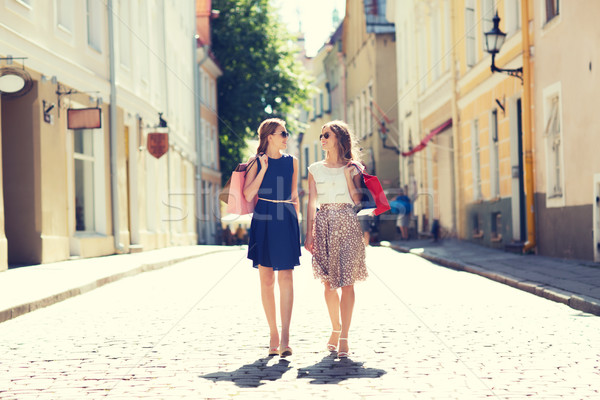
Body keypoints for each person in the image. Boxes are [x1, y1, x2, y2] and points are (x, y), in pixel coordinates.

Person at [304, 120, 368, 359]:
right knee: (329, 285)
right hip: (324, 224)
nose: (322, 139)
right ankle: (335, 327)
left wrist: (350, 176)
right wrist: (309, 233)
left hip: (347, 222)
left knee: (348, 282)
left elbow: (358, 200)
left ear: (339, 139)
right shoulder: (314, 169)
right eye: (321, 135)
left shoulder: (353, 167)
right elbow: (310, 202)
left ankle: (344, 337)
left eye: (326, 135)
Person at [243, 118, 301, 358]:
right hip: (264, 217)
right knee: (266, 279)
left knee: (286, 277)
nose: (286, 137)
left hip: (286, 217)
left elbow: (295, 194)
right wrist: (263, 169)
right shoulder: (256, 162)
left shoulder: (293, 162)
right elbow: (247, 193)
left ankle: (286, 336)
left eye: (287, 133)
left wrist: (297, 226)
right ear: (269, 137)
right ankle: (273, 333)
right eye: (283, 133)